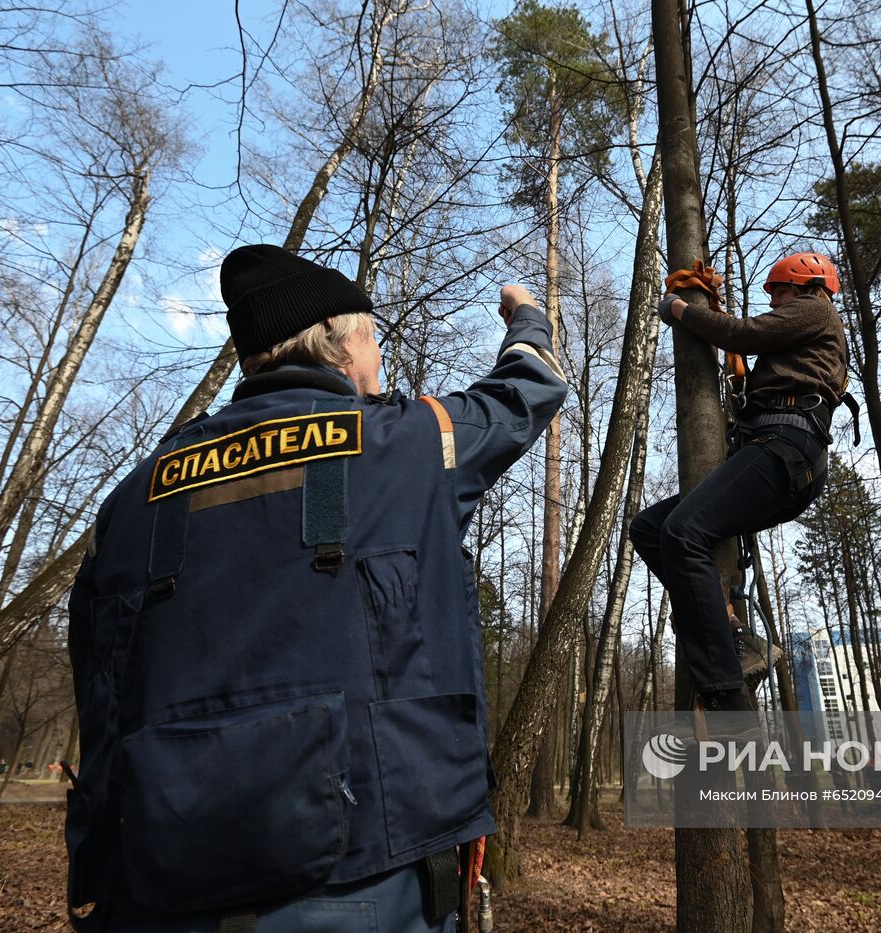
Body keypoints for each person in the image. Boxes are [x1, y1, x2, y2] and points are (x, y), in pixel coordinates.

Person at [64, 245, 567, 932]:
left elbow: (99, 688)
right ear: (339, 339)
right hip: (367, 876)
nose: (379, 359)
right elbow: (528, 389)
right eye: (373, 339)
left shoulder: (133, 496)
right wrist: (528, 316)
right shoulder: (408, 444)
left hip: (153, 882)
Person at [629, 252, 848, 734]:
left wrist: (682, 311)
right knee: (650, 528)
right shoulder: (805, 326)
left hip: (786, 447)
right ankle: (731, 633)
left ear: (806, 284)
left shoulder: (818, 308)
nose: (778, 302)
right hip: (768, 450)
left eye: (781, 292)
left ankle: (729, 699)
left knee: (684, 532)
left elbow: (745, 334)